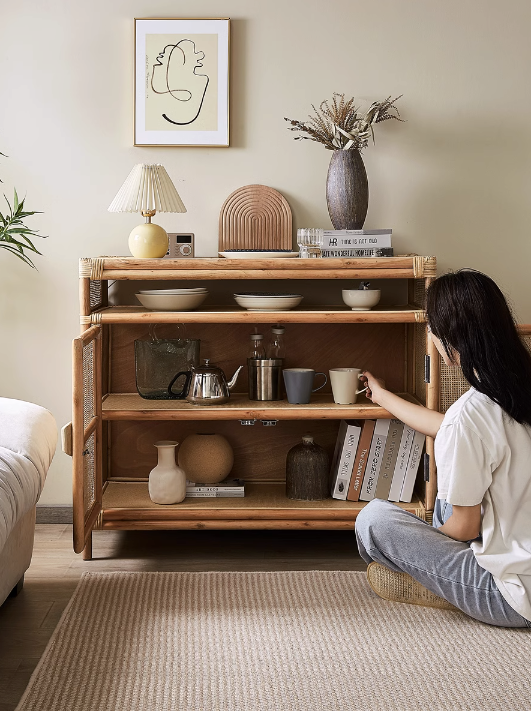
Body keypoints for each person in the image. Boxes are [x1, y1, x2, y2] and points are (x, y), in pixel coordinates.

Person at [355, 269, 531, 628]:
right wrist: (384, 396)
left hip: (512, 594)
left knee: (373, 520)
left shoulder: (470, 415)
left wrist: (422, 547)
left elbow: (465, 527)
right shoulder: (515, 390)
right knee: (459, 482)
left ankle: (436, 584)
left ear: (449, 339)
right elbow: (446, 429)